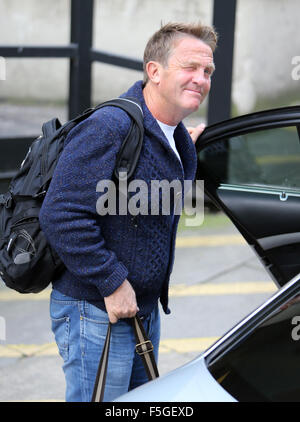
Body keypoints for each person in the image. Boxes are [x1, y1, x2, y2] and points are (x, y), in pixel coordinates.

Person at [39, 21, 217, 402]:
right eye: (190, 67)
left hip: (141, 310)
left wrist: (182, 149)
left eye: (207, 72)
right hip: (97, 309)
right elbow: (61, 214)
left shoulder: (173, 133)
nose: (201, 79)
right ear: (154, 71)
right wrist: (113, 282)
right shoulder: (111, 126)